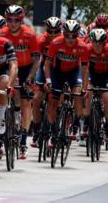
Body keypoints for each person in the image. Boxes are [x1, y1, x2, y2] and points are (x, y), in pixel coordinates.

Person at [1, 5, 40, 159]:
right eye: (9, 20)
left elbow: (37, 59)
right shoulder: (2, 33)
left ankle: (23, 139)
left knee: (25, 103)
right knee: (4, 95)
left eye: (16, 20)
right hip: (8, 67)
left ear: (21, 20)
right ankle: (0, 134)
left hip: (25, 69)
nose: (12, 23)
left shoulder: (30, 35)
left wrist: (30, 77)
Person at [44, 20, 89, 144]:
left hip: (74, 73)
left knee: (77, 95)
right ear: (63, 33)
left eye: (73, 35)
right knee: (53, 102)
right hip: (57, 73)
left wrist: (84, 88)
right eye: (67, 35)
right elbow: (47, 65)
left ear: (77, 34)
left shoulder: (82, 46)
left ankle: (76, 123)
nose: (70, 38)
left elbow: (85, 70)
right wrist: (48, 81)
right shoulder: (56, 42)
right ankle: (53, 130)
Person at [32, 17, 62, 147]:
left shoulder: (64, 40)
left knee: (53, 102)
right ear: (46, 30)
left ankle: (55, 128)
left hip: (59, 70)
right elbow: (36, 61)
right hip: (44, 69)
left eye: (57, 32)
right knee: (36, 98)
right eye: (50, 31)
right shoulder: (41, 40)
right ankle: (37, 129)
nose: (53, 34)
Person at [85, 29, 108, 142]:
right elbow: (83, 67)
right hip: (92, 74)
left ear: (104, 42)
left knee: (107, 97)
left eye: (100, 42)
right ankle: (86, 122)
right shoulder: (87, 49)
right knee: (88, 93)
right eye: (95, 42)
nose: (97, 45)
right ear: (91, 41)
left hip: (106, 75)